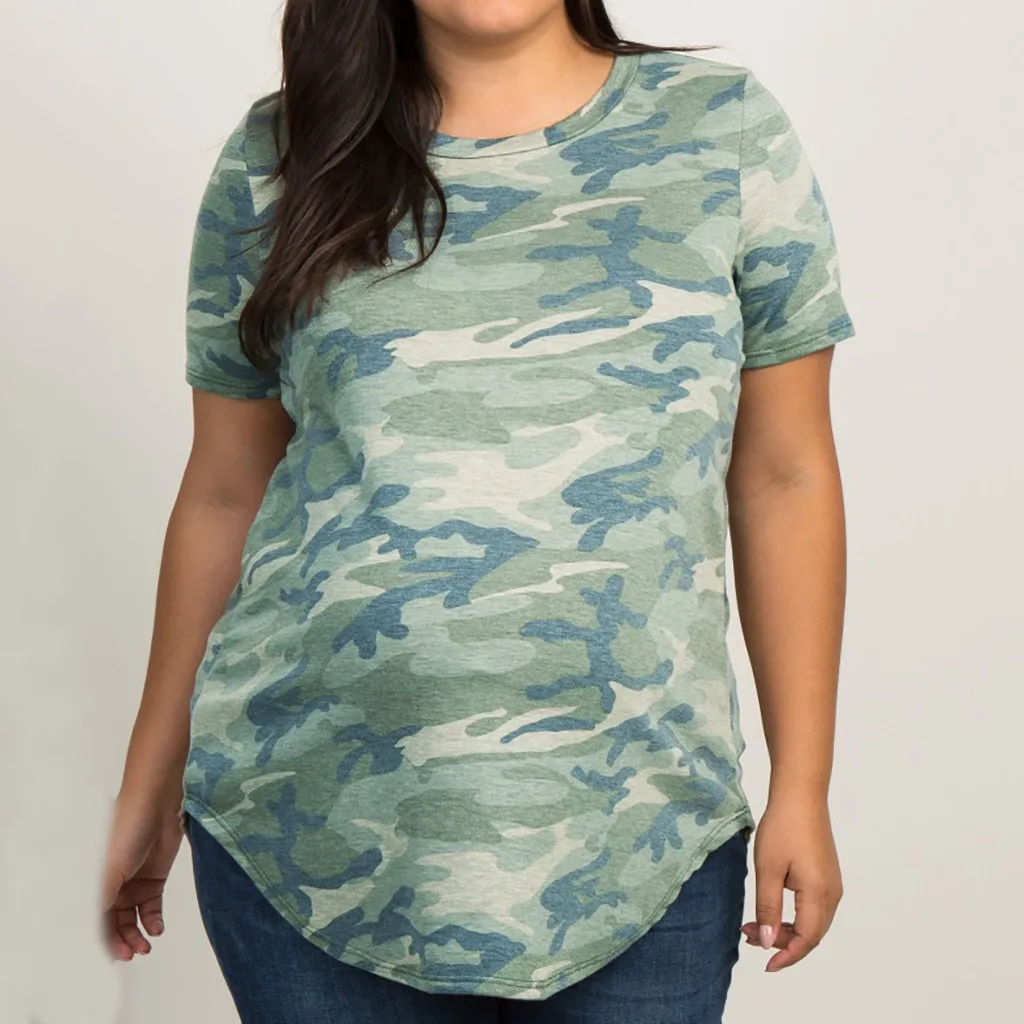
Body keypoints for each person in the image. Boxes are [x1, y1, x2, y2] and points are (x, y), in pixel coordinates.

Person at [101, 1, 852, 1021]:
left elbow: (784, 475)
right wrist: (149, 779)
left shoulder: (723, 129)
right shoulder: (279, 156)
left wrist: (802, 782)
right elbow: (226, 488)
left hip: (644, 836)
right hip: (307, 831)